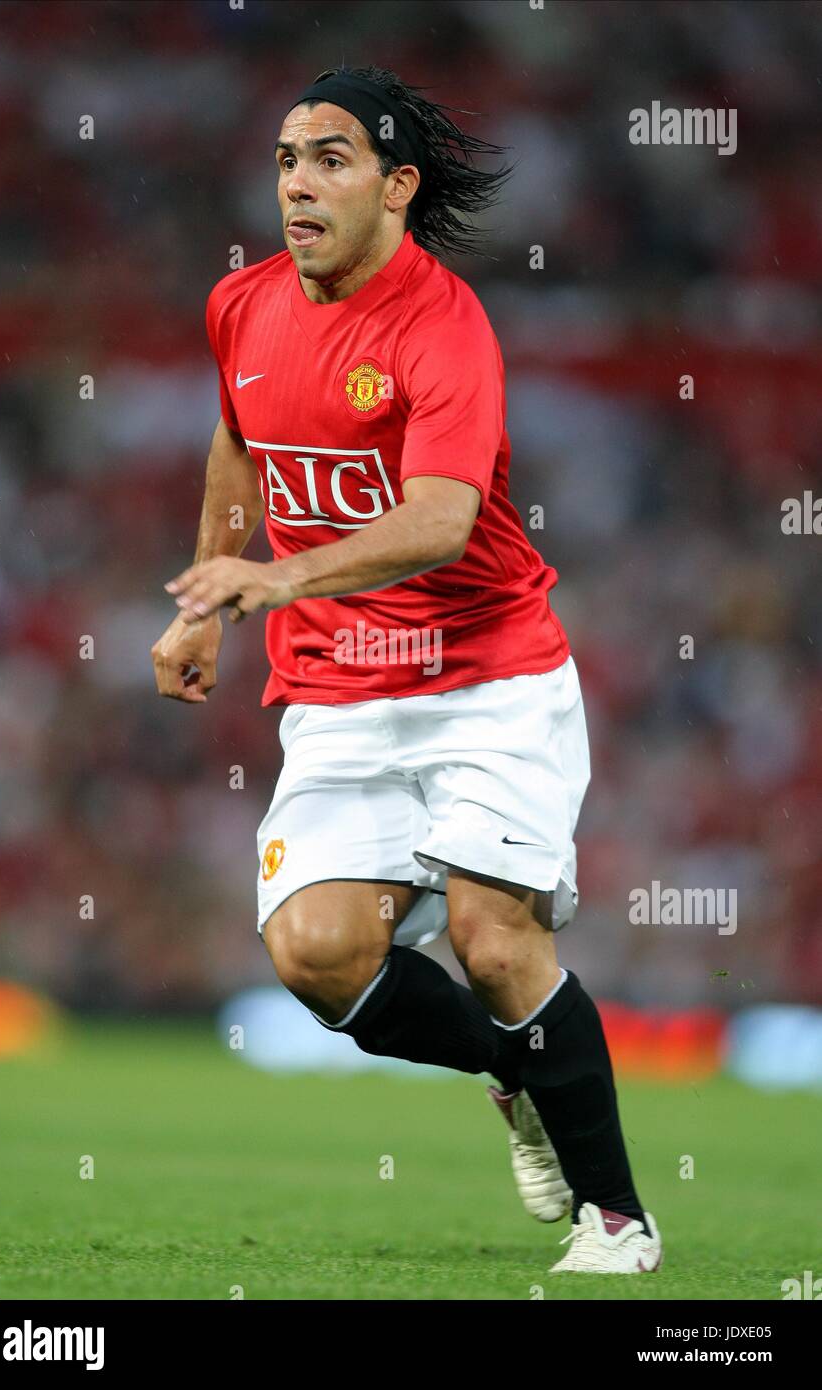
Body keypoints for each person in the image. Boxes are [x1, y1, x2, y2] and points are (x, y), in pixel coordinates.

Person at [152, 65, 661, 1274]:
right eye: (284, 159)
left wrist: (278, 577)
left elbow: (438, 515)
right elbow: (237, 444)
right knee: (314, 954)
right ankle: (517, 1075)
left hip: (484, 677)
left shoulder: (441, 324)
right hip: (336, 688)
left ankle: (618, 1222)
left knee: (492, 943)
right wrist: (206, 602)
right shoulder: (241, 306)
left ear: (396, 186)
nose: (295, 184)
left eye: (328, 158)